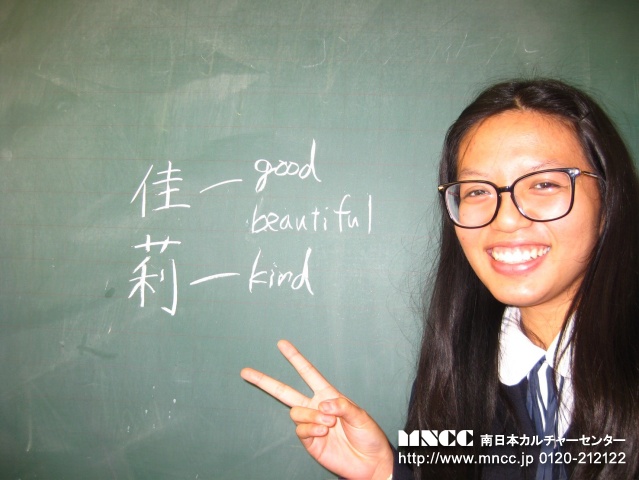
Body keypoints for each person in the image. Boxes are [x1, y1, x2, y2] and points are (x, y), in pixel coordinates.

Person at [240, 79, 639, 480]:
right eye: (477, 191)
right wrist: (387, 471)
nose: (506, 219)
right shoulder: (453, 370)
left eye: (544, 184)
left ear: (608, 199)